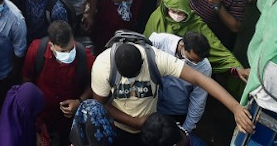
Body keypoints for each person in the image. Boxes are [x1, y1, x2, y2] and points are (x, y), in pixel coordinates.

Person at [90, 39, 253, 143]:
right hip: (119, 128)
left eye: (135, 76)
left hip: (152, 130)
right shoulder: (103, 66)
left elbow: (199, 79)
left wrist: (235, 107)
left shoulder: (155, 59)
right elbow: (100, 105)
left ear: (142, 63)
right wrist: (134, 122)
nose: (132, 81)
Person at [22, 20, 94, 143]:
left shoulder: (85, 57)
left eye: (71, 49)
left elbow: (94, 86)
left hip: (67, 119)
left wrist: (79, 102)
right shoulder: (36, 50)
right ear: (51, 45)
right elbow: (26, 80)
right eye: (62, 51)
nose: (68, 54)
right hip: (40, 115)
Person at [149, 32, 213, 137]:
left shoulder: (204, 68)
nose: (195, 64)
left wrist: (185, 130)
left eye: (198, 62)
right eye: (191, 60)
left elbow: (198, 102)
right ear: (182, 46)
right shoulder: (159, 41)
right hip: (151, 105)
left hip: (175, 113)